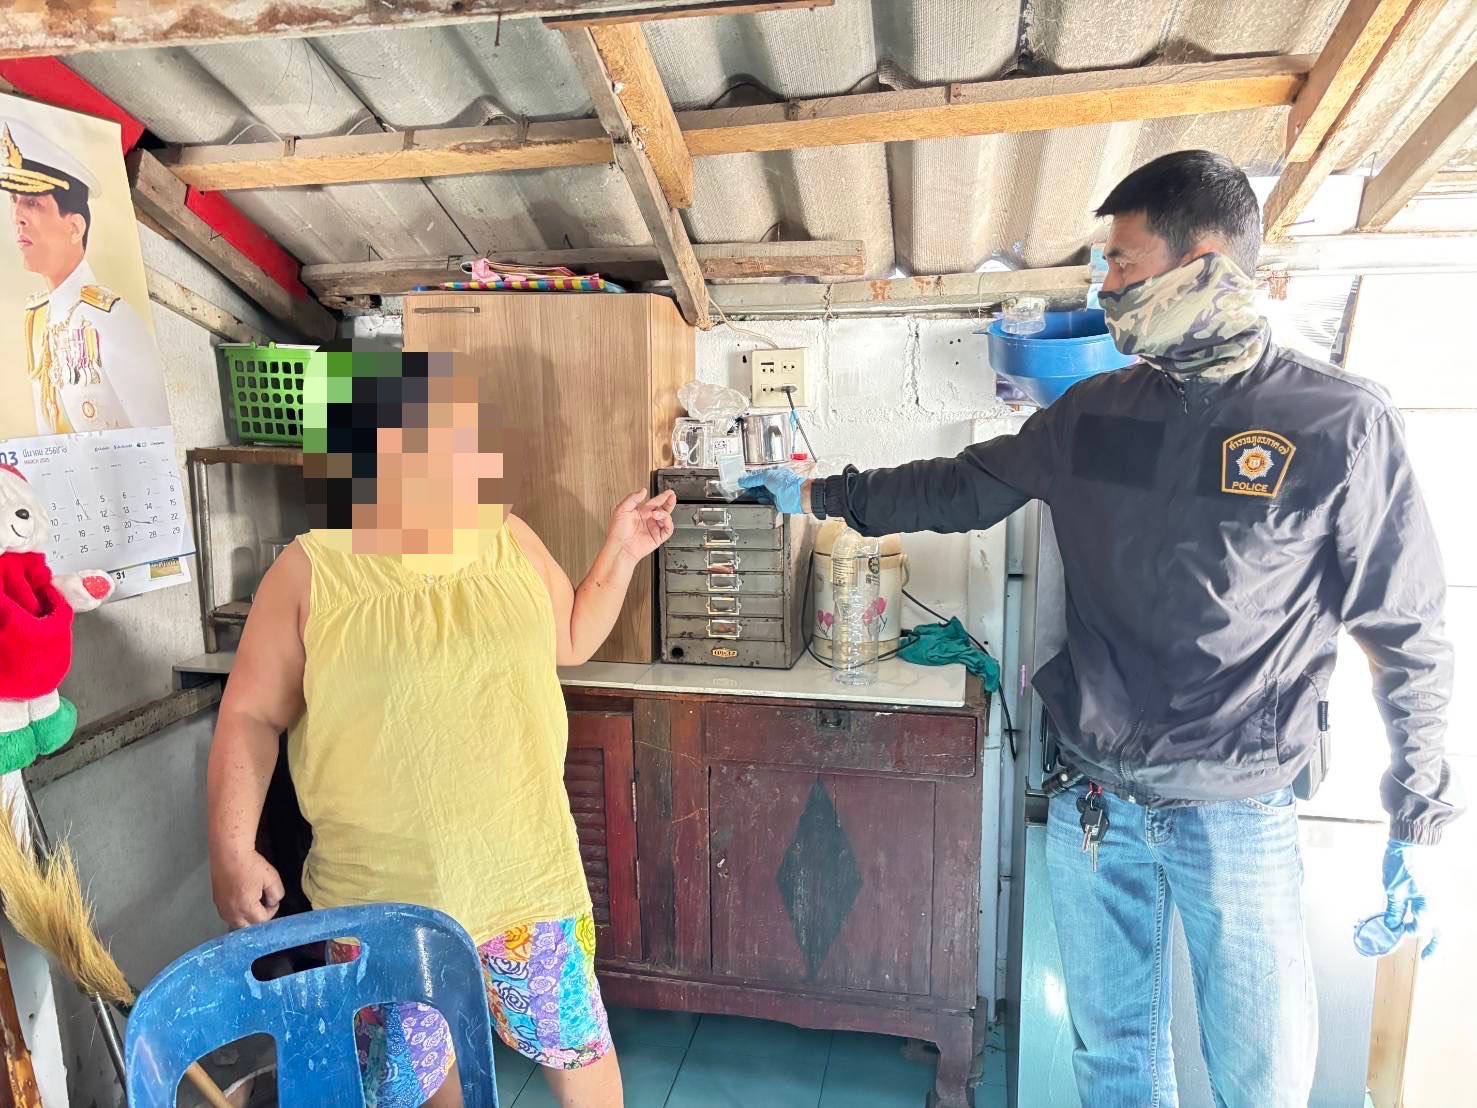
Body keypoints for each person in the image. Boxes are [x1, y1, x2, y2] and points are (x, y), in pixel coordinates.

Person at [742, 150, 1462, 1108]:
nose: (1104, 287)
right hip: (1095, 802)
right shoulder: (1094, 413)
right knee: (1113, 1062)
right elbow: (963, 487)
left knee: (1260, 1079)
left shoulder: (1335, 423)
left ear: (1203, 264)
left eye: (1122, 262)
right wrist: (822, 493)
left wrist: (1418, 810)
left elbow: (1405, 628)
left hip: (1234, 808)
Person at [208, 350, 676, 1108]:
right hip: (383, 907)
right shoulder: (311, 570)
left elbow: (569, 635)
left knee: (578, 1052)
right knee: (420, 1084)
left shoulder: (509, 539)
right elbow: (252, 714)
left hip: (526, 883)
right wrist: (231, 848)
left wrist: (621, 551)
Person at [2, 119, 169, 435]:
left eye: (33, 202)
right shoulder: (37, 320)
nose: (17, 217)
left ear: (75, 227)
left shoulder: (110, 319)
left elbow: (156, 438)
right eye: (14, 200)